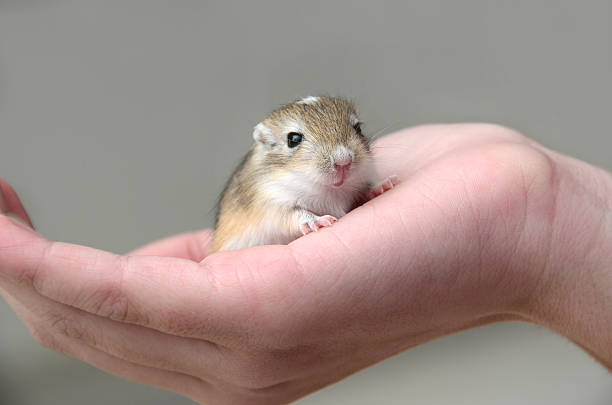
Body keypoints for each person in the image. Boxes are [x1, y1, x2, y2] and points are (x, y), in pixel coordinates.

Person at [0, 124, 610, 405]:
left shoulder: (352, 163)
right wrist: (303, 223)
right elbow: (281, 217)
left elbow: (353, 183)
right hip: (253, 238)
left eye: (349, 135)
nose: (340, 156)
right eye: (302, 143)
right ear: (269, 146)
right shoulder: (267, 188)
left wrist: (542, 227)